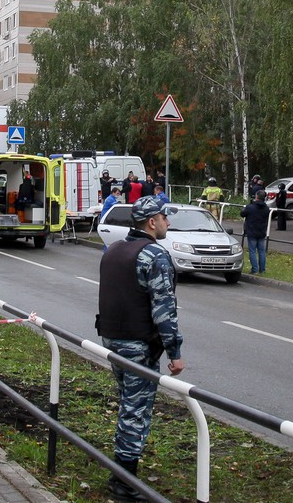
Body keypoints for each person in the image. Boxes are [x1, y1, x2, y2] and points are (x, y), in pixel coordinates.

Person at [96, 196, 184, 502]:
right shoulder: (155, 256)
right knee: (136, 411)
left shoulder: (114, 250)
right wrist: (175, 353)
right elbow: (165, 312)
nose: (167, 223)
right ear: (151, 222)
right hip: (139, 345)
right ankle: (124, 481)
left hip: (111, 339)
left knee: (127, 404)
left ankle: (122, 471)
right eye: (164, 217)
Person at [241, 190, 270, 274]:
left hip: (252, 231)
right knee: (262, 251)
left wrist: (248, 205)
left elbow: (242, 213)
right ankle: (262, 270)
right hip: (261, 232)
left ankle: (255, 269)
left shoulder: (250, 207)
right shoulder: (266, 208)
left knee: (252, 251)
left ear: (256, 196)